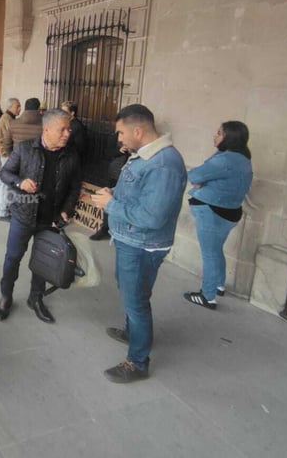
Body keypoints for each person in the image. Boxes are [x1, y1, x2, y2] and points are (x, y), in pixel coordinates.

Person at [90, 104, 187, 384]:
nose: (118, 139)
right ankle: (134, 333)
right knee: (130, 292)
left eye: (120, 133)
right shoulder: (143, 157)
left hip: (142, 244)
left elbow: (152, 217)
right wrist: (113, 193)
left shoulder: (164, 163)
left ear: (138, 130)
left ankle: (138, 361)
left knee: (136, 301)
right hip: (129, 240)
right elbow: (132, 191)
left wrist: (111, 205)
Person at [0, 108, 82, 324]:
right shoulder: (25, 148)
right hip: (23, 216)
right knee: (13, 258)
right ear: (47, 129)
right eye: (62, 129)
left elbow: (74, 187)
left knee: (44, 261)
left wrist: (67, 210)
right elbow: (5, 173)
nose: (67, 133)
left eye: (68, 129)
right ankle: (6, 296)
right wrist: (20, 182)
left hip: (50, 219)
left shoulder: (71, 154)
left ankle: (35, 298)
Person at [183, 121, 253, 309]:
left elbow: (194, 176)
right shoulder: (243, 158)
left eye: (219, 133)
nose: (215, 136)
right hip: (230, 212)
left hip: (211, 211)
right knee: (216, 250)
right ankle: (219, 284)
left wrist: (202, 182)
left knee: (210, 254)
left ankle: (208, 296)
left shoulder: (224, 160)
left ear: (230, 137)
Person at [89, 145, 130, 241]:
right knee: (108, 201)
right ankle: (105, 229)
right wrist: (119, 150)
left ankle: (119, 231)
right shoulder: (116, 138)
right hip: (115, 175)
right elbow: (107, 152)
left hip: (127, 178)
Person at [0, 97, 21, 220]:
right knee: (6, 182)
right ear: (10, 107)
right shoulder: (7, 119)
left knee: (2, 182)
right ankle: (3, 212)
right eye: (17, 106)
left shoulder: (8, 118)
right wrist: (5, 152)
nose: (19, 109)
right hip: (7, 154)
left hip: (5, 153)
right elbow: (6, 139)